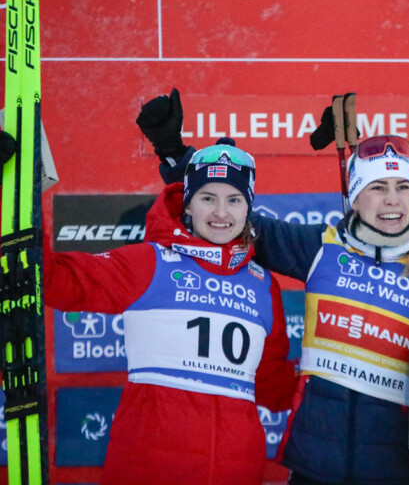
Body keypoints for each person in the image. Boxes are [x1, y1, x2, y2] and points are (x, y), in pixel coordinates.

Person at [136, 89, 409, 485]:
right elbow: (231, 217)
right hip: (314, 464)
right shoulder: (321, 248)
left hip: (396, 468)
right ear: (355, 198)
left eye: (402, 187)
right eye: (377, 188)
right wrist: (178, 158)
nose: (391, 201)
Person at [44, 141, 297, 485]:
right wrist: (15, 197)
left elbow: (274, 385)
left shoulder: (263, 285)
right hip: (148, 469)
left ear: (248, 207)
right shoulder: (150, 263)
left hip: (238, 470)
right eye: (208, 198)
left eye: (234, 200)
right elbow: (54, 279)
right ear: (188, 204)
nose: (221, 212)